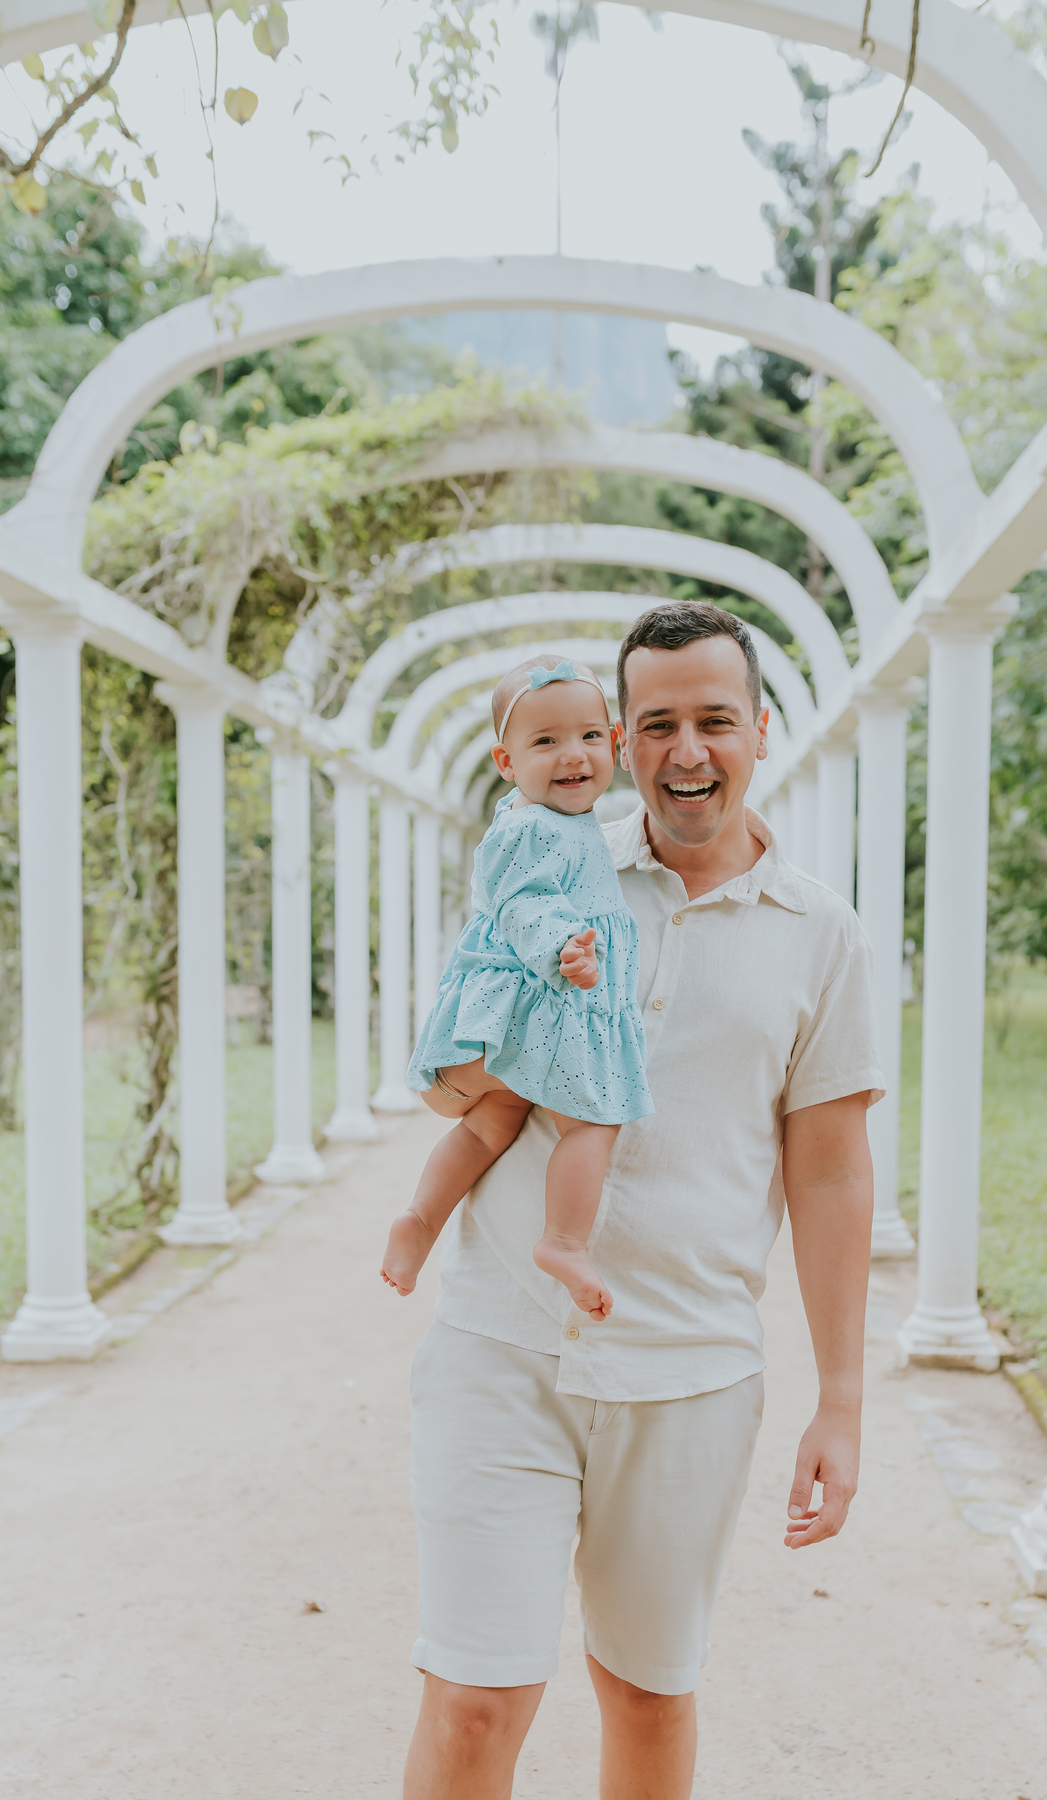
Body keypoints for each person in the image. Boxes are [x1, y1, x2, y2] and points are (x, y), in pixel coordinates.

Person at [402, 600, 883, 1800]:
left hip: (691, 1370)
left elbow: (828, 1171)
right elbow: (446, 1079)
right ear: (620, 739)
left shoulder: (824, 937)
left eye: (715, 720)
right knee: (473, 1702)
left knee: (649, 1695)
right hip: (501, 1347)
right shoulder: (551, 869)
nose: (687, 751)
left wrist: (842, 1400)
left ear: (760, 730)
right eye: (658, 722)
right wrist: (502, 1034)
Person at [380, 654, 652, 1321]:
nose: (572, 756)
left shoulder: (564, 822)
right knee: (595, 1119)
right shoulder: (529, 827)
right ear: (507, 763)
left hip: (526, 1015)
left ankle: (420, 1219)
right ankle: (563, 1241)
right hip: (536, 1007)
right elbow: (524, 902)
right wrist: (564, 948)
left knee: (490, 1126)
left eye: (590, 737)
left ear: (615, 745)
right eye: (545, 741)